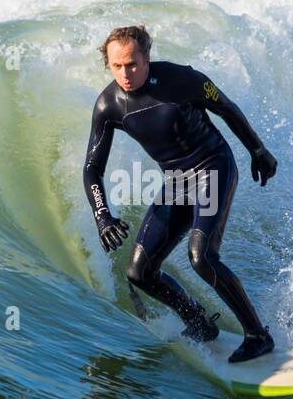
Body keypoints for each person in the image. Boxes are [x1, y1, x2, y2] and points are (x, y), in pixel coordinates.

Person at [82, 25, 278, 363]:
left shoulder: (181, 80)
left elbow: (226, 108)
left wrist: (257, 150)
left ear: (146, 58)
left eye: (132, 64)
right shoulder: (109, 105)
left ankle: (258, 335)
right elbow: (91, 169)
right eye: (117, 66)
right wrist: (102, 217)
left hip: (212, 166)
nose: (125, 74)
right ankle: (200, 322)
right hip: (177, 181)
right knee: (139, 272)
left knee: (202, 256)